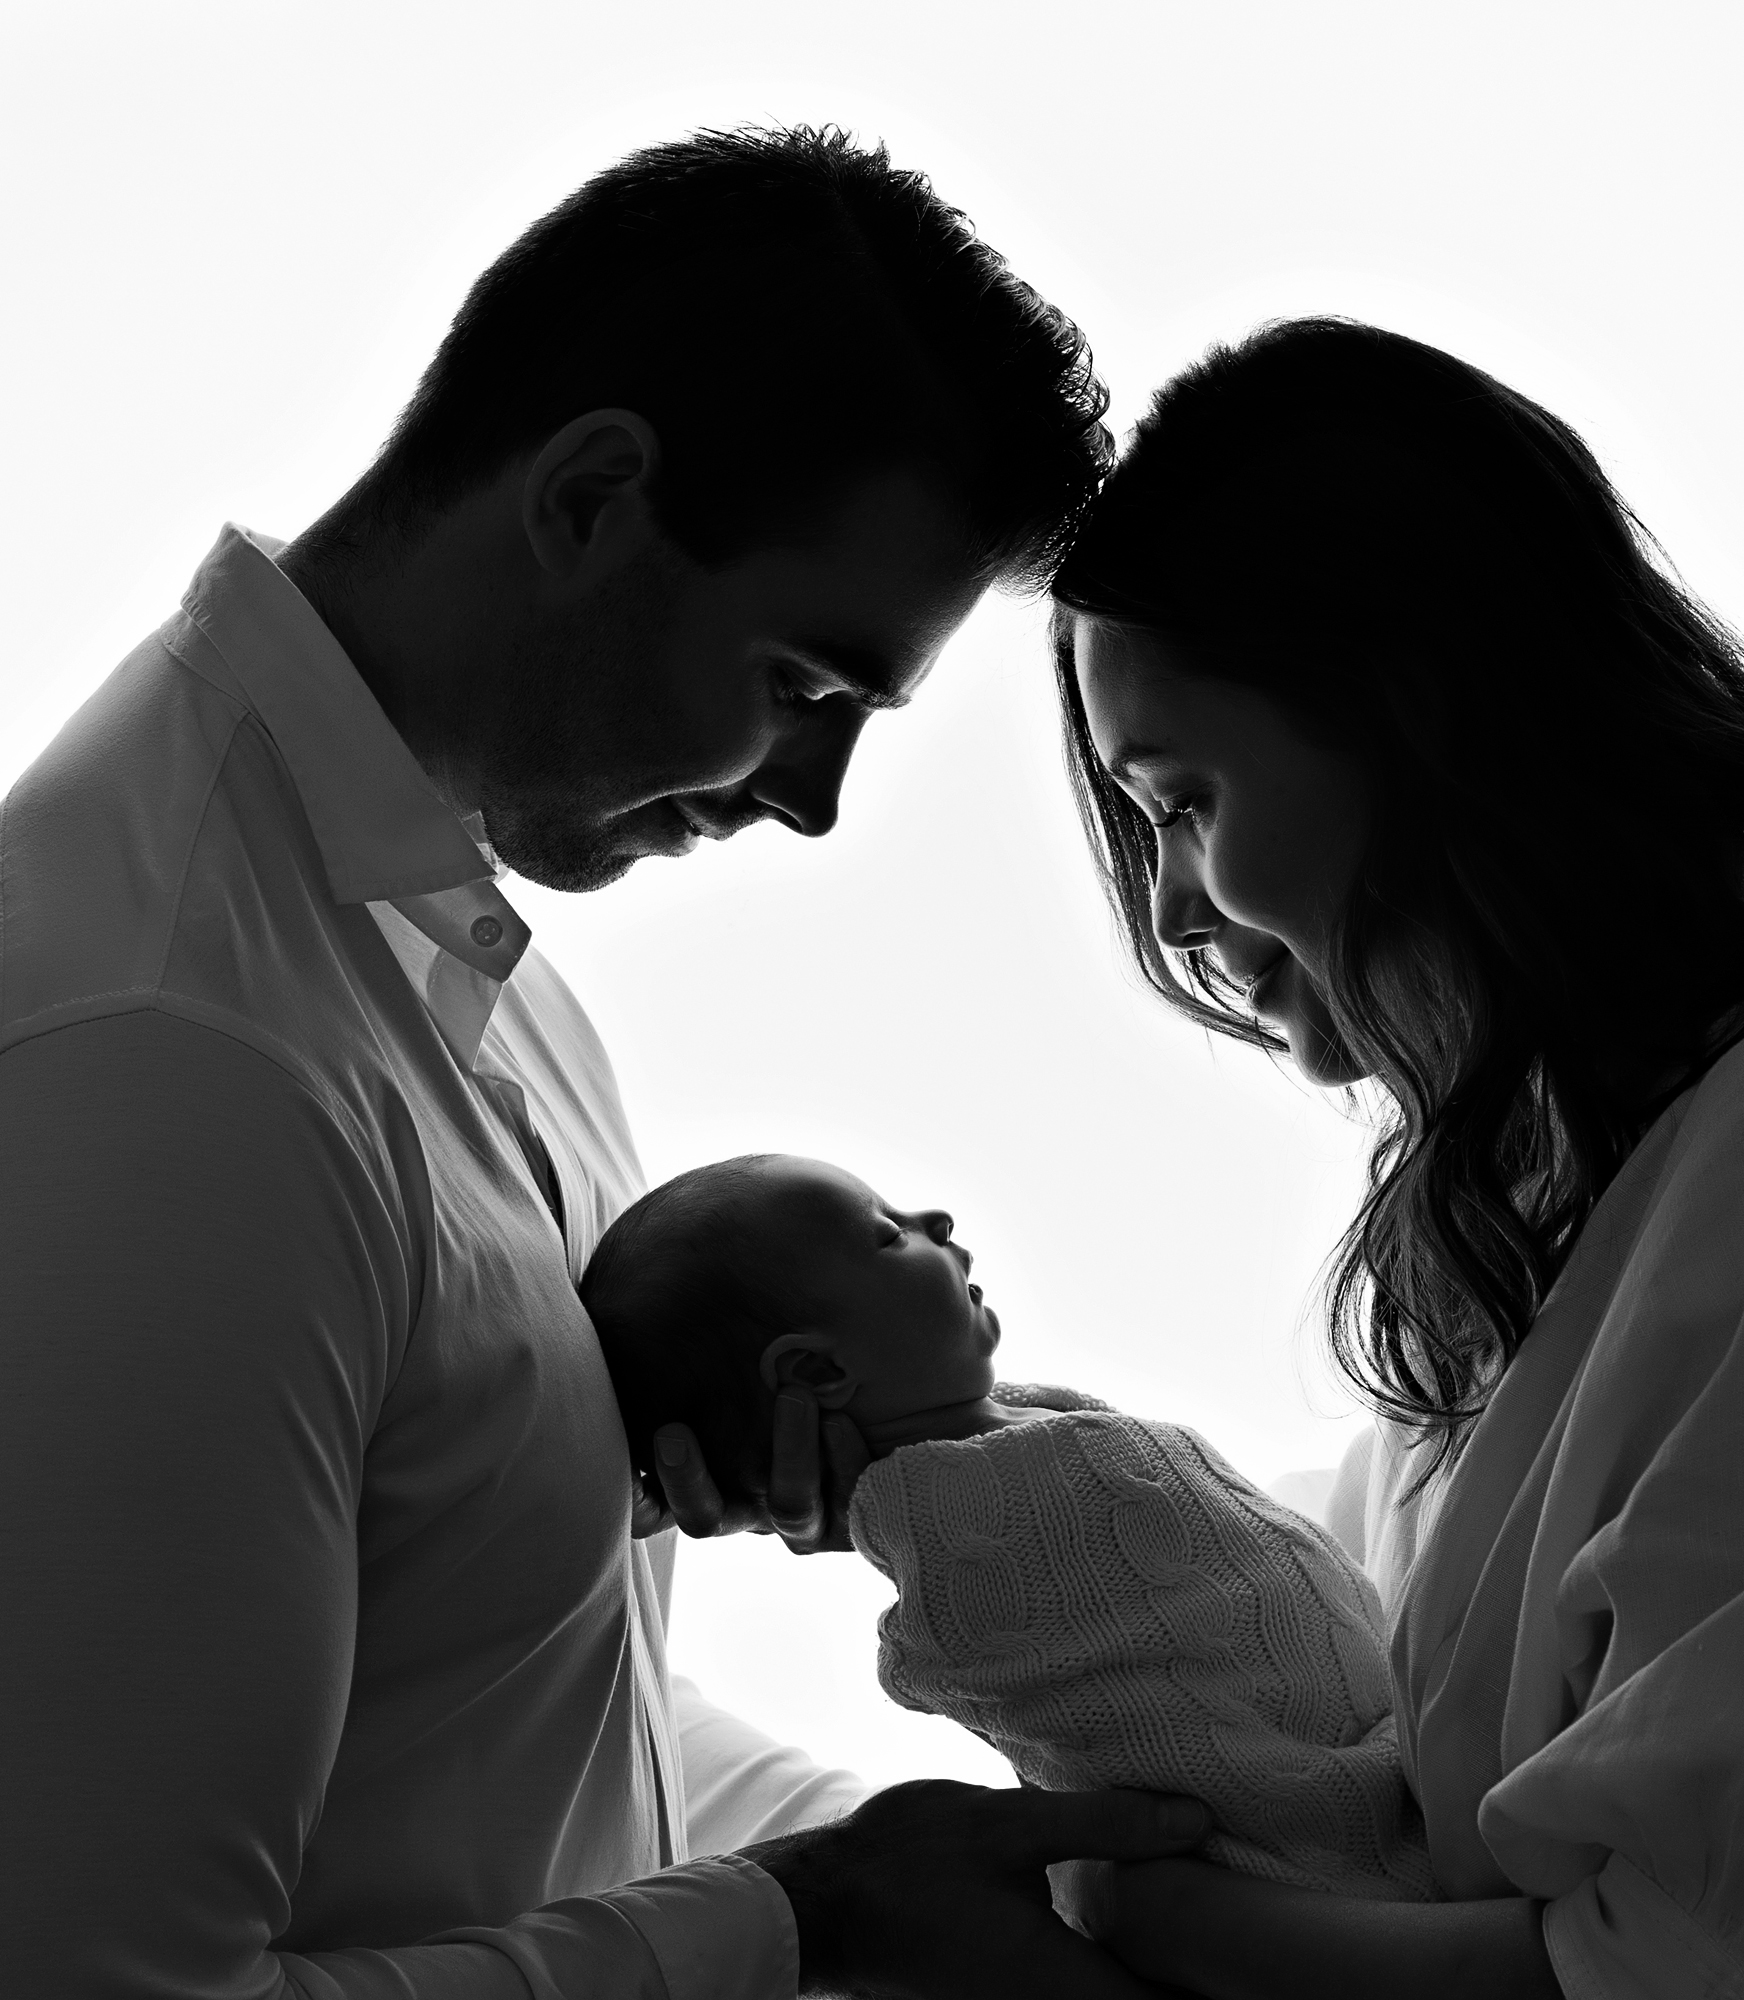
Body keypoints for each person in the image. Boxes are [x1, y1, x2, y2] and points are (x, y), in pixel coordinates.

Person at [0, 127, 1212, 1999]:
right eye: (806, 683)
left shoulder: (465, 979)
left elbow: (512, 1713)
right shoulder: (177, 1061)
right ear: (587, 499)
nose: (813, 803)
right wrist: (804, 1919)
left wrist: (929, 1872)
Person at [1027, 317, 1744, 1995]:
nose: (1176, 910)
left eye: (1181, 800)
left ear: (1419, 724)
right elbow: (1329, 1691)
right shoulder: (1538, 1194)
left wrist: (1119, 1912)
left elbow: (1661, 1968)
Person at [583, 1153, 1435, 1900]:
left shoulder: (1025, 1445)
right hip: (1294, 1844)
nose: (934, 1220)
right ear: (814, 1368)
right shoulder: (972, 1528)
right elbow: (981, 1651)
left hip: (1387, 1757)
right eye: (886, 1233)